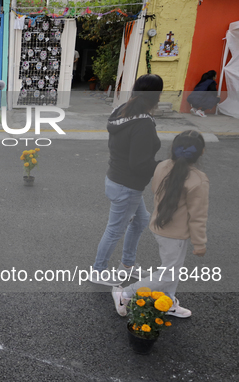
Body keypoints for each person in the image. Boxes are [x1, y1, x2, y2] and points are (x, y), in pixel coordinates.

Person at [112, 130, 209, 318]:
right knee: (168, 274)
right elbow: (198, 215)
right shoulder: (198, 179)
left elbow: (155, 190)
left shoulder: (162, 166)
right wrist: (199, 243)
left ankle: (168, 300)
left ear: (172, 149)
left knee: (172, 268)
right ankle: (124, 293)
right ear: (202, 152)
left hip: (159, 226)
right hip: (176, 234)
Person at [90, 74, 164, 286]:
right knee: (114, 230)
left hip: (117, 180)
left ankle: (127, 265)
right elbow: (139, 163)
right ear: (157, 96)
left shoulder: (121, 111)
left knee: (140, 220)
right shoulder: (143, 123)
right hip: (127, 186)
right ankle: (98, 271)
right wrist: (165, 166)